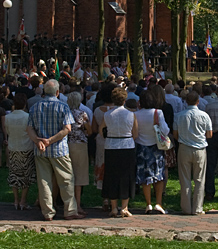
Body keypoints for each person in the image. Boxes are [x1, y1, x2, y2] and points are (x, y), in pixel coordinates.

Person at [28, 79, 83, 221]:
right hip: (59, 149)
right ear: (58, 92)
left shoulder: (35, 107)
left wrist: (38, 141)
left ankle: (47, 212)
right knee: (66, 180)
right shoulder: (63, 107)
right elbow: (67, 129)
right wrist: (50, 140)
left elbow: (29, 128)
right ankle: (70, 210)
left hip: (40, 150)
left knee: (44, 181)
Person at [99, 86, 139, 217]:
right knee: (126, 176)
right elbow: (135, 133)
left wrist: (108, 136)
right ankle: (125, 207)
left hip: (111, 146)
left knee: (112, 176)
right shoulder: (131, 115)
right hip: (127, 145)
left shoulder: (107, 114)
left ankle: (114, 207)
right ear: (125, 100)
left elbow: (101, 130)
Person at [173, 91, 213, 215]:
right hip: (200, 149)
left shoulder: (179, 116)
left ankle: (186, 208)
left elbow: (175, 134)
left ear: (186, 101)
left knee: (184, 179)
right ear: (198, 101)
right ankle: (197, 208)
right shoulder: (204, 115)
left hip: (184, 147)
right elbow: (210, 134)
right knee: (200, 179)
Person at [133, 89, 169, 214]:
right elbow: (165, 129)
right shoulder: (157, 112)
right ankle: (158, 203)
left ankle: (148, 203)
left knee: (144, 178)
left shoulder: (136, 114)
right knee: (159, 176)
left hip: (141, 147)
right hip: (156, 147)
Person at [5, 93, 35, 210]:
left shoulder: (8, 117)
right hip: (26, 147)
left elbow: (7, 131)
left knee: (14, 174)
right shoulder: (28, 116)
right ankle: (23, 200)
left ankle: (16, 200)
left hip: (13, 147)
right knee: (26, 176)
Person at [66, 91, 90, 216]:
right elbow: (89, 130)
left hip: (66, 144)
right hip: (80, 144)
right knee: (79, 176)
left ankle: (67, 204)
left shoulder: (65, 113)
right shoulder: (82, 114)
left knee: (67, 175)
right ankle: (78, 204)